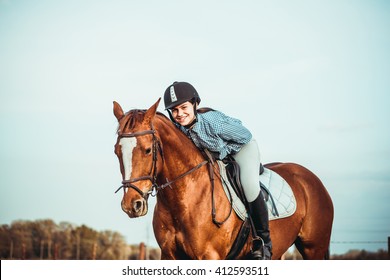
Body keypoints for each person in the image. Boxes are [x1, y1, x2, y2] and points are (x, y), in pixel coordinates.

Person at [163, 81, 272, 260]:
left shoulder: (212, 122)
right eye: (174, 110)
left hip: (241, 148)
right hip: (215, 157)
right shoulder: (178, 128)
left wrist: (223, 152)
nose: (180, 114)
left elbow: (245, 136)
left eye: (184, 107)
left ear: (194, 104)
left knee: (249, 185)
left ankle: (264, 243)